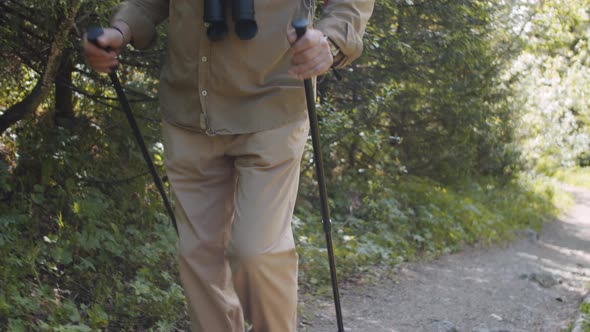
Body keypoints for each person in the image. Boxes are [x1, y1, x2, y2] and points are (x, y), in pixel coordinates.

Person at [83, 0, 373, 331]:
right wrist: (121, 30)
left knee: (257, 253)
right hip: (189, 111)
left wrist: (330, 40)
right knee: (199, 259)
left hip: (273, 106)